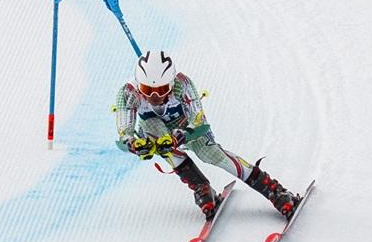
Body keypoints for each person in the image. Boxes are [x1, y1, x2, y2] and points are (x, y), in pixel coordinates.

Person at [115, 49, 302, 220]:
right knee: (156, 133)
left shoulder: (182, 84)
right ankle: (201, 187)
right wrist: (135, 145)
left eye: (162, 90)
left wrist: (181, 135)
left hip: (184, 124)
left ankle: (274, 190)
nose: (154, 98)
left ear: (171, 83)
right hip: (155, 130)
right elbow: (124, 136)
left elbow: (199, 122)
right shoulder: (128, 93)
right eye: (147, 91)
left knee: (211, 155)